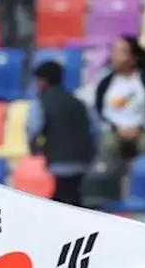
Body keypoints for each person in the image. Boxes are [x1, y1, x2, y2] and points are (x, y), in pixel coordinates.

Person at [92, 35, 145, 164]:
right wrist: (115, 128)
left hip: (144, 129)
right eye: (113, 51)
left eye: (120, 52)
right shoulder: (104, 79)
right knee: (107, 143)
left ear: (133, 58)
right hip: (114, 130)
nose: (114, 56)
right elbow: (97, 110)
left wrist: (141, 128)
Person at [27, 60, 94, 208]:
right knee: (73, 197)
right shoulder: (79, 102)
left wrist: (34, 149)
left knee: (61, 199)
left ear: (42, 81)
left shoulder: (41, 103)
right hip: (82, 161)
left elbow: (33, 129)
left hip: (58, 162)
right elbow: (95, 130)